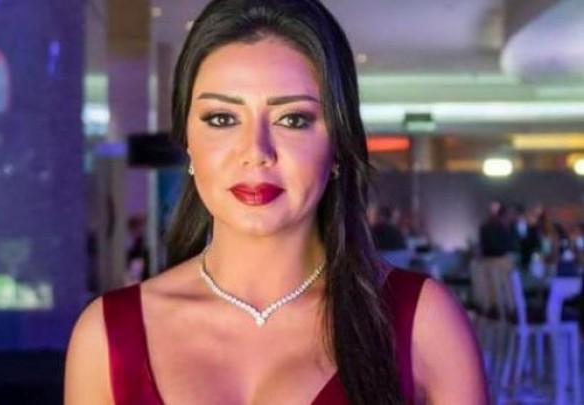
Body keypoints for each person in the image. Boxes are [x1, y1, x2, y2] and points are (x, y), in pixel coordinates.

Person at [65, 1, 487, 404]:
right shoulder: (106, 336)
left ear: (337, 146)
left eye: (293, 119)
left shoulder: (422, 322)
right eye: (222, 119)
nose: (255, 152)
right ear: (188, 142)